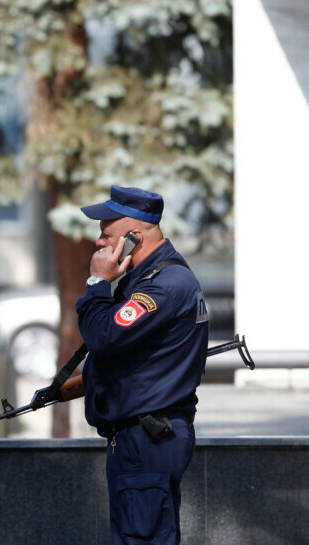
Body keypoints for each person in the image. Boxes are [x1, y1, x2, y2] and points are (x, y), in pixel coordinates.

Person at [75, 186, 209, 544]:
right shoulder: (152, 280)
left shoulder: (161, 287)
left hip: (147, 441)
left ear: (134, 237)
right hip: (144, 438)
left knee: (143, 538)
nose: (99, 243)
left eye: (106, 235)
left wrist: (97, 282)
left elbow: (102, 336)